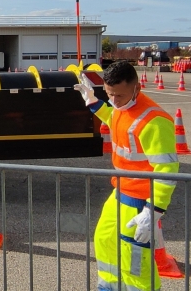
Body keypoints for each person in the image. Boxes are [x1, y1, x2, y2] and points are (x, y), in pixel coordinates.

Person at [75, 61, 178, 291]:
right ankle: (109, 287)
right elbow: (113, 118)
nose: (114, 101)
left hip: (141, 201)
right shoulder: (122, 108)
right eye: (110, 94)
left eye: (119, 95)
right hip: (121, 192)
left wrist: (154, 211)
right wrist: (93, 102)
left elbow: (167, 170)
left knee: (135, 260)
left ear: (137, 88)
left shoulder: (154, 121)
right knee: (105, 240)